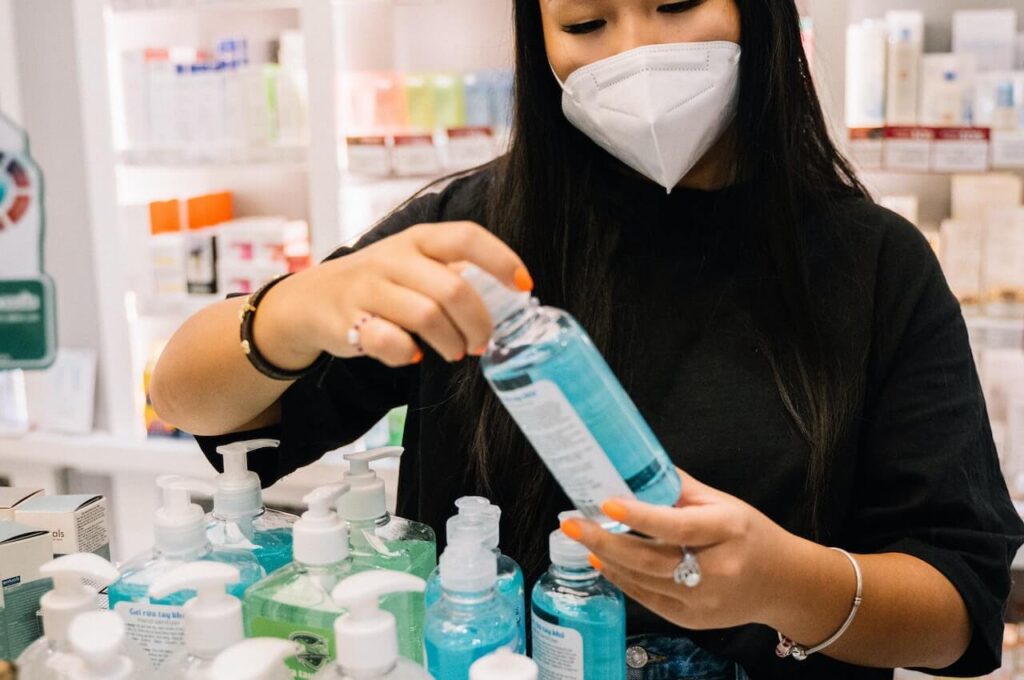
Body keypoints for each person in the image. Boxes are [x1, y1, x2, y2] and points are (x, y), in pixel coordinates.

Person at [150, 0, 1024, 677]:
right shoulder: (473, 236)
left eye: (677, 4)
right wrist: (299, 306)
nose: (634, 52)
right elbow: (193, 402)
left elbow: (960, 608)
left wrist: (783, 584)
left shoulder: (875, 267)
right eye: (586, 22)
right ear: (540, 42)